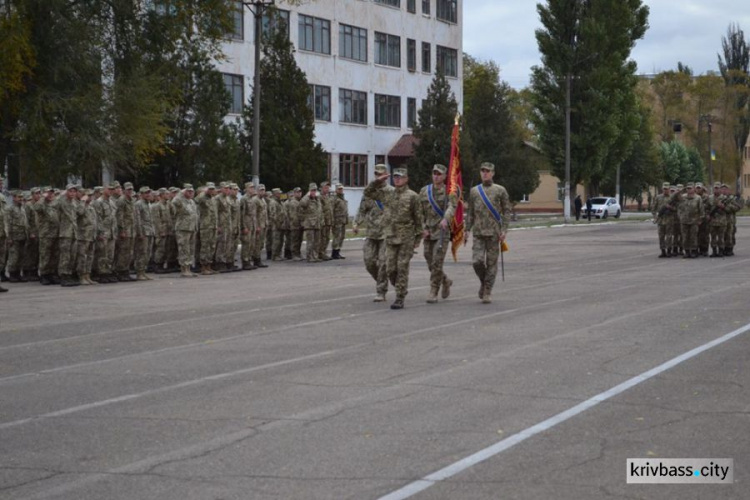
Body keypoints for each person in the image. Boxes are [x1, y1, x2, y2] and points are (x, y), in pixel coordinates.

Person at [363, 167, 423, 310]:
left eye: (400, 177)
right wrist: (376, 182)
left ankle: (400, 297)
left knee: (402, 267)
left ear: (406, 179)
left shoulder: (412, 196)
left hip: (406, 237)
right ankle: (400, 287)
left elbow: (418, 218)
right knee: (390, 269)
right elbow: (368, 192)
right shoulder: (388, 194)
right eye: (395, 177)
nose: (397, 179)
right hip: (390, 236)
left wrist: (418, 238)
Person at [464, 162, 511, 304]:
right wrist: (467, 229)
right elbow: (470, 212)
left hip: (494, 233)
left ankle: (487, 291)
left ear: (493, 173)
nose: (485, 173)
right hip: (478, 232)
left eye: (487, 171)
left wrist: (504, 230)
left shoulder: (500, 190)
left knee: (491, 264)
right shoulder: (474, 191)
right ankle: (484, 283)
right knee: (477, 262)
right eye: (482, 171)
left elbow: (506, 211)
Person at [418, 164, 456, 304]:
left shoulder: (450, 191)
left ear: (445, 176)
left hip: (442, 232)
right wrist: (422, 227)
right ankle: (445, 280)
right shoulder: (424, 191)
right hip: (428, 232)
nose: (436, 176)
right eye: (434, 173)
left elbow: (452, 206)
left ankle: (433, 291)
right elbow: (419, 212)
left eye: (439, 174)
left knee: (437, 262)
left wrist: (446, 219)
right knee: (429, 261)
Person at [353, 165, 392, 302]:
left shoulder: (391, 191)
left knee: (383, 263)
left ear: (386, 175)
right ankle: (382, 280)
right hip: (371, 232)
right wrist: (356, 223)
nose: (379, 177)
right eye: (377, 174)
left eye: (381, 174)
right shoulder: (369, 192)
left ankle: (381, 291)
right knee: (369, 261)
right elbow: (362, 209)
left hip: (385, 233)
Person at [172, 184, 199, 277]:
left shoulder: (191, 201)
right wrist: (180, 193)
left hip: (192, 228)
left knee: (190, 249)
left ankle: (189, 268)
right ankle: (184, 269)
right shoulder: (179, 200)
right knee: (183, 248)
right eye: (188, 191)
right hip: (183, 228)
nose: (190, 193)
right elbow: (174, 202)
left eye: (192, 191)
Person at [5, 190, 29, 283]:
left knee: (21, 256)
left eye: (22, 197)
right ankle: (12, 274)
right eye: (19, 197)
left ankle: (19, 273)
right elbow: (8, 224)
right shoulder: (10, 209)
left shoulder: (22, 208)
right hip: (14, 236)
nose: (21, 199)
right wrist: (9, 237)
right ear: (14, 198)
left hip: (23, 235)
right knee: (13, 256)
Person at [676, 183, 703, 258]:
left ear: (694, 189)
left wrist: (700, 219)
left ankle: (694, 251)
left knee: (693, 236)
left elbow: (701, 209)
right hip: (684, 221)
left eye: (690, 188)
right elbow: (679, 208)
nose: (689, 190)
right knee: (685, 237)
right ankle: (687, 251)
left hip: (694, 221)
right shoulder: (683, 197)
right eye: (687, 188)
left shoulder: (698, 198)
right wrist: (680, 217)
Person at [299, 183, 322, 263]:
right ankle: (309, 257)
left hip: (317, 223)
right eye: (312, 190)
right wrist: (307, 196)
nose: (314, 192)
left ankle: (315, 256)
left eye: (315, 190)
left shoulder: (317, 199)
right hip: (309, 224)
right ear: (309, 191)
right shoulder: (306, 199)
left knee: (317, 241)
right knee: (310, 242)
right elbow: (302, 204)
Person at [651, 182, 673, 258]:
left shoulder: (672, 198)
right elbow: (653, 208)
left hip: (669, 220)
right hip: (660, 220)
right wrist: (655, 216)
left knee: (669, 236)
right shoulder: (658, 197)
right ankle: (663, 251)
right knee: (661, 236)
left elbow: (677, 208)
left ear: (669, 189)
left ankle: (669, 251)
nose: (665, 190)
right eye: (664, 189)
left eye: (666, 189)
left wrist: (670, 209)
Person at [331, 184, 348, 259]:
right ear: (336, 190)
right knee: (337, 237)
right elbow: (331, 210)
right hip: (337, 221)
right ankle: (334, 253)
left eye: (341, 189)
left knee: (342, 236)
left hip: (343, 220)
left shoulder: (342, 198)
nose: (341, 190)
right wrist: (332, 221)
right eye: (339, 189)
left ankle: (338, 251)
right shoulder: (334, 199)